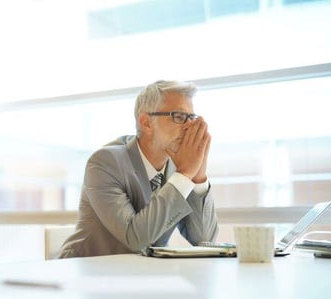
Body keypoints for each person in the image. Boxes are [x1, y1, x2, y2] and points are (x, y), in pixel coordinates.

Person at [58, 80, 218, 258]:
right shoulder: (104, 163)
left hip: (142, 275)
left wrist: (198, 176)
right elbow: (135, 239)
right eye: (179, 116)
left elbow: (205, 239)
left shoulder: (178, 168)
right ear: (146, 123)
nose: (190, 126)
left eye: (192, 118)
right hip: (85, 273)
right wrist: (185, 174)